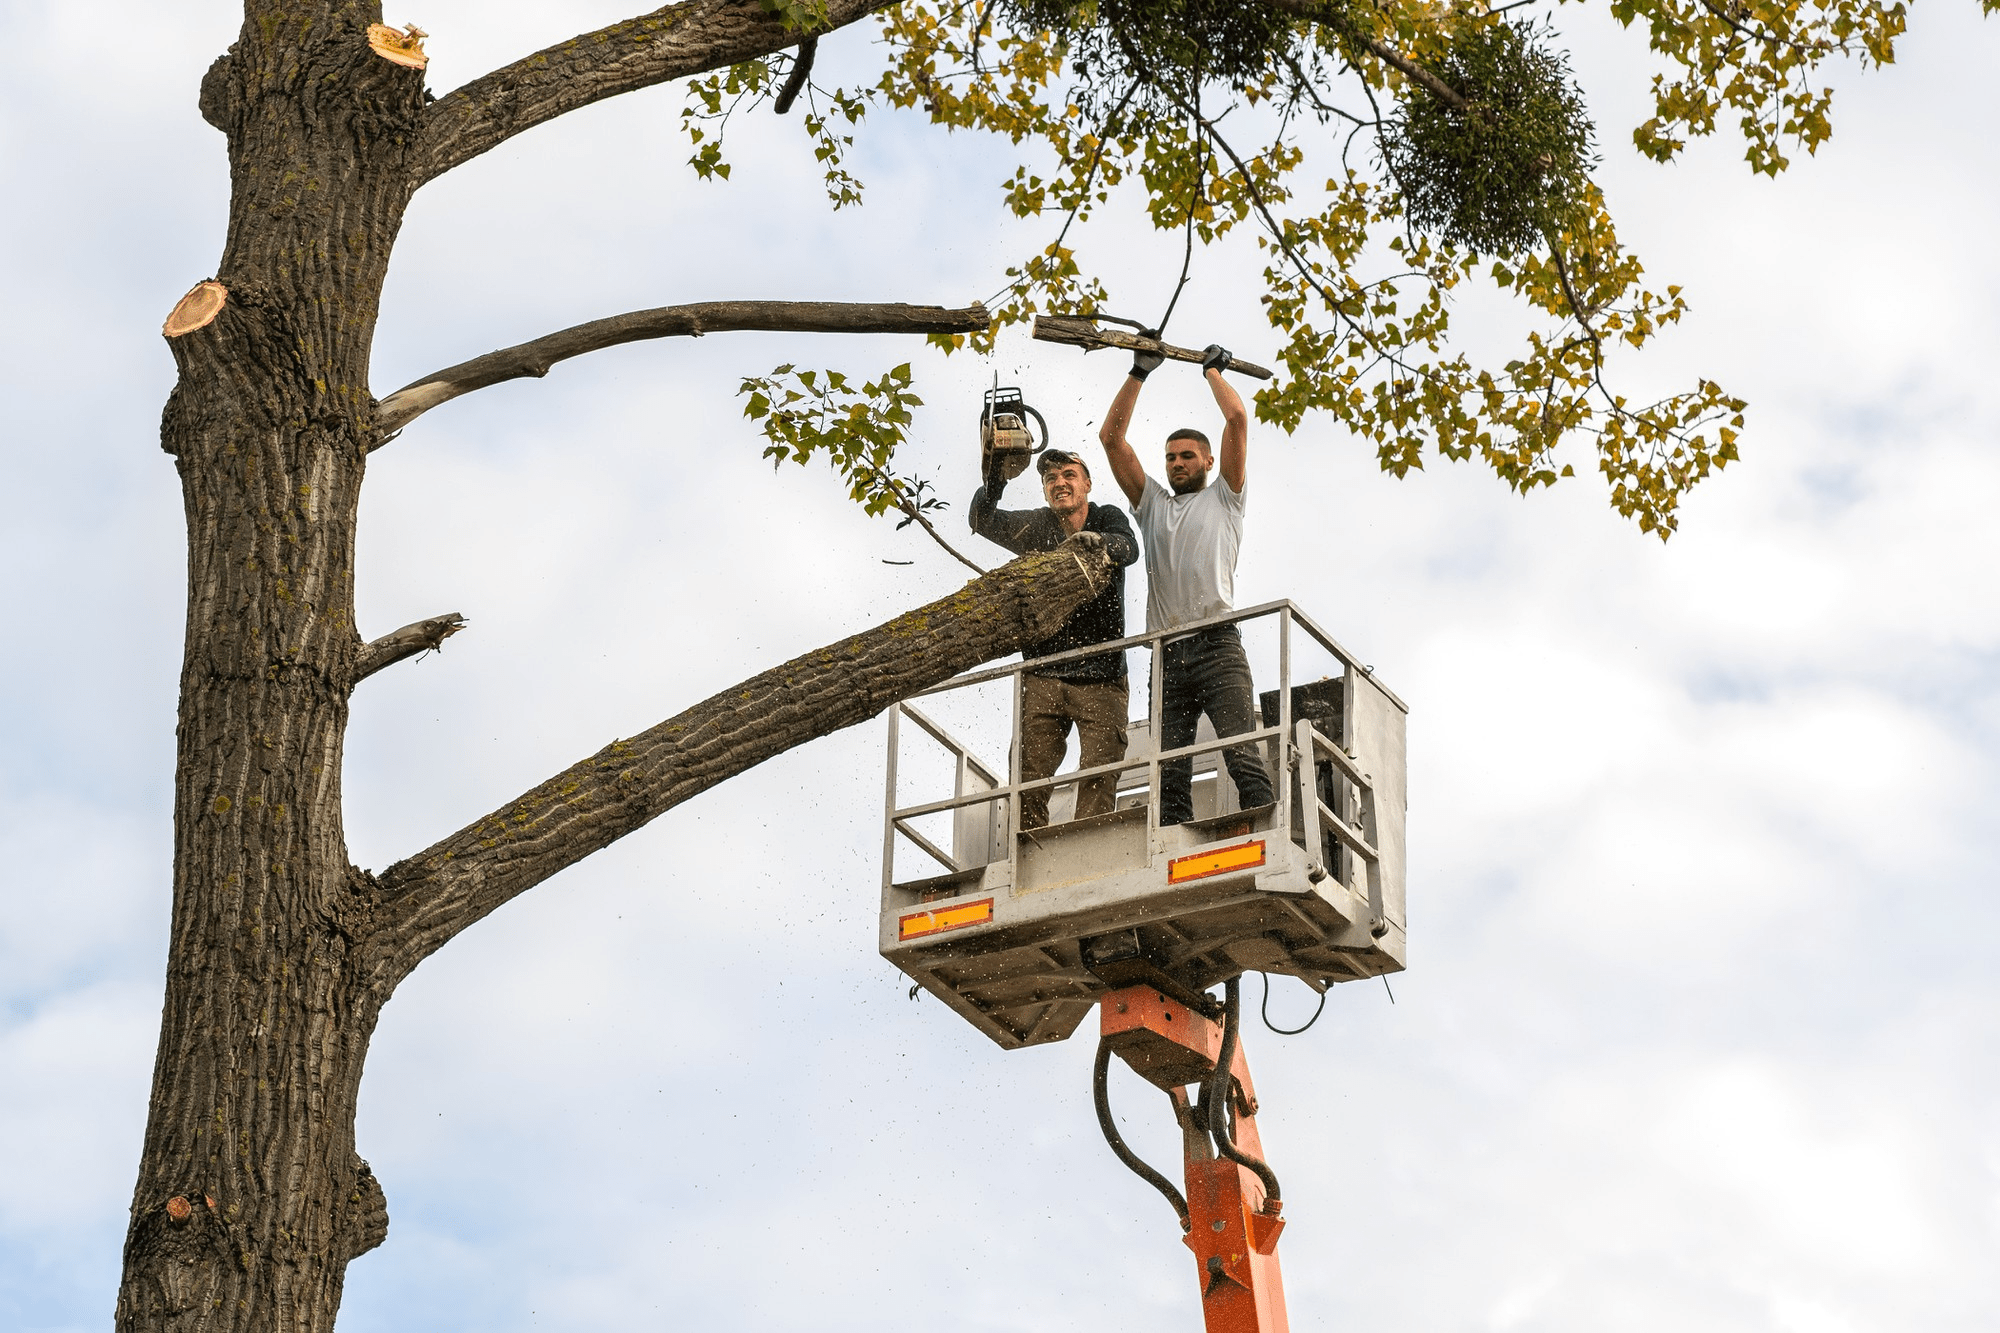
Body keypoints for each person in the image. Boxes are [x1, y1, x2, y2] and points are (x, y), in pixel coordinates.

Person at [1098, 339, 1275, 826]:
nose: (1177, 464)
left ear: (1208, 462)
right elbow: (1112, 441)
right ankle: (1173, 850)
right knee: (1168, 774)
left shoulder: (1226, 497)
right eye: (1172, 457)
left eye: (1188, 456)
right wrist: (1139, 372)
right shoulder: (1153, 505)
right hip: (1168, 655)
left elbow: (1237, 420)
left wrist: (1212, 372)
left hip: (1218, 645)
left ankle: (1264, 834)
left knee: (1241, 756)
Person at [969, 447, 1141, 830]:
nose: (1060, 483)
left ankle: (1087, 844)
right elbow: (982, 520)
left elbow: (1129, 547)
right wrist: (995, 480)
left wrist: (1100, 544)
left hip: (1102, 674)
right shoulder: (1038, 527)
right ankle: (1030, 847)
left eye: (1068, 475)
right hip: (1044, 674)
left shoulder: (1106, 516)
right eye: (1050, 479)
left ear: (1086, 484)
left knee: (1099, 770)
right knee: (1028, 776)